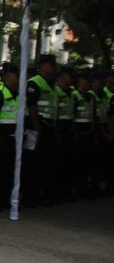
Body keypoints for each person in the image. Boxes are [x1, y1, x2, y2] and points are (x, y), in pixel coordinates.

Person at [26, 54, 58, 206]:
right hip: (35, 127)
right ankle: (29, 195)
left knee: (46, 161)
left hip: (49, 126)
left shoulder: (51, 84)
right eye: (49, 65)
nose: (51, 68)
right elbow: (31, 106)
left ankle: (40, 193)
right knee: (33, 162)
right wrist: (37, 128)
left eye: (53, 65)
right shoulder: (34, 83)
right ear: (42, 66)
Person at [0, 64, 19, 211]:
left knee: (10, 169)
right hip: (2, 135)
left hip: (14, 136)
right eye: (16, 76)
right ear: (9, 77)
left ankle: (5, 199)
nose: (18, 79)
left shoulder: (18, 93)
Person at [72, 72, 98, 198]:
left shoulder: (91, 97)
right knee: (78, 162)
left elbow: (93, 115)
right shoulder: (75, 96)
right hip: (79, 131)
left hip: (89, 132)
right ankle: (77, 188)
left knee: (87, 162)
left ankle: (84, 188)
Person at [55, 66, 76, 201]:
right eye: (70, 76)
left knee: (67, 161)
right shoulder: (56, 91)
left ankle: (64, 191)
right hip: (58, 127)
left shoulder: (71, 93)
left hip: (69, 128)